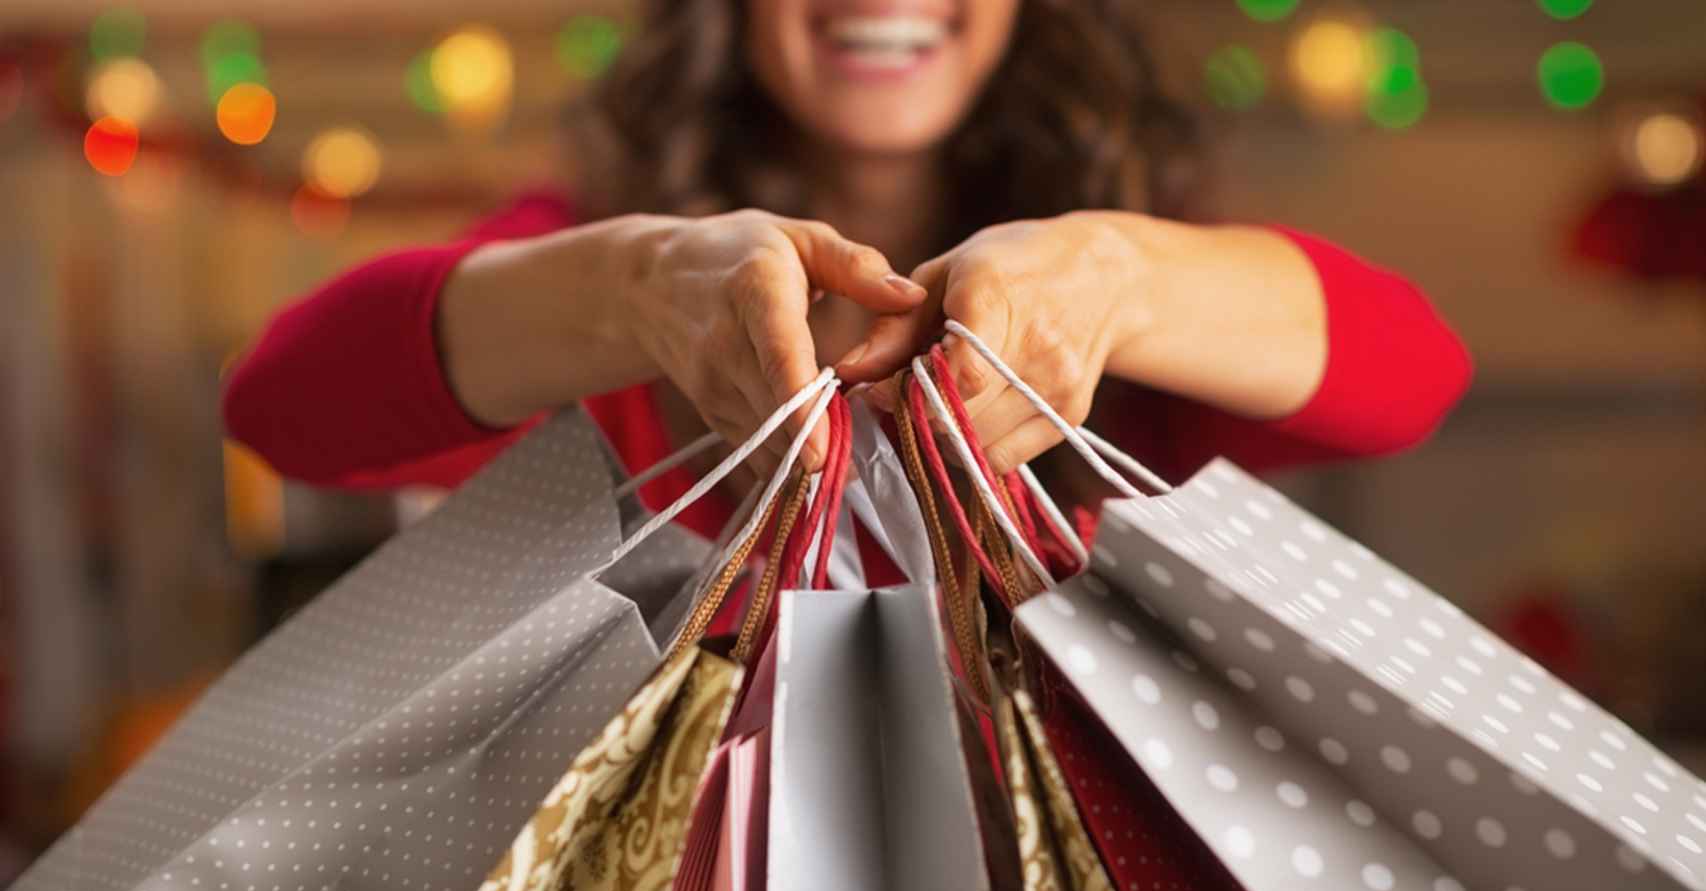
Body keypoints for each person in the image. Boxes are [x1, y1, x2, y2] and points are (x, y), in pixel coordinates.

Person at [222, 0, 1471, 547]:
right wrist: (633, 286)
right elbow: (283, 404)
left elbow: (1412, 372)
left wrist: (1118, 274)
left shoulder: (1129, 246)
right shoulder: (591, 241)